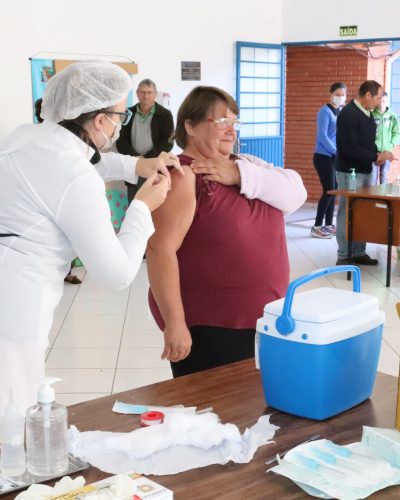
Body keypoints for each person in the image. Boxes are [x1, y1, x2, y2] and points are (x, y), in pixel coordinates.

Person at [0, 61, 183, 414]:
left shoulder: (27, 136)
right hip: (16, 306)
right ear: (101, 121)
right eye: (120, 116)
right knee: (12, 415)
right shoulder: (74, 176)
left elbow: (84, 162)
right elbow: (116, 274)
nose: (121, 123)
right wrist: (142, 207)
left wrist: (134, 166)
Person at [146, 86, 307, 377]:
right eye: (220, 121)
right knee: (212, 417)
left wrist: (238, 174)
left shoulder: (246, 165)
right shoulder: (183, 176)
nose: (230, 130)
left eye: (234, 122)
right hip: (211, 327)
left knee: (256, 413)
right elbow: (159, 250)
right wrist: (175, 322)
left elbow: (296, 192)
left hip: (265, 319)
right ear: (190, 126)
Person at [335, 80, 394, 266]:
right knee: (347, 211)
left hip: (366, 170)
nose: (378, 102)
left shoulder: (368, 112)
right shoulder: (349, 114)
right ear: (367, 95)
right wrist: (377, 154)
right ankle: (344, 255)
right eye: (377, 98)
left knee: (362, 212)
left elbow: (367, 143)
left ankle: (359, 251)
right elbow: (350, 148)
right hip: (349, 173)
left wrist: (379, 155)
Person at [35, 98, 82, 285]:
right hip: (43, 194)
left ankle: (66, 271)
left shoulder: (68, 135)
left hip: (65, 192)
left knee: (67, 232)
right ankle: (50, 270)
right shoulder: (36, 134)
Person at [116, 79, 174, 203]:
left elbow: (167, 142)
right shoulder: (127, 113)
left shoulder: (165, 115)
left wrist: (147, 158)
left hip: (155, 166)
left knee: (154, 205)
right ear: (137, 93)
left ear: (155, 94)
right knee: (133, 202)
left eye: (149, 92)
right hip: (133, 166)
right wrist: (136, 158)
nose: (146, 96)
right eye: (142, 92)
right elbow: (120, 140)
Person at [311, 82, 346, 239]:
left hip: (334, 156)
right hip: (323, 156)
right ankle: (317, 226)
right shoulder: (324, 112)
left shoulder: (340, 111)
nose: (340, 97)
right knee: (328, 190)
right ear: (331, 94)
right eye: (337, 94)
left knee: (334, 190)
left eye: (343, 94)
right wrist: (335, 151)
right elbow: (322, 136)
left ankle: (328, 224)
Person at [372, 91, 400, 185]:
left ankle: (383, 198)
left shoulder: (392, 116)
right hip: (374, 152)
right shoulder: (371, 115)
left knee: (384, 175)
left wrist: (391, 144)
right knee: (373, 176)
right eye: (379, 100)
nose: (381, 103)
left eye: (383, 101)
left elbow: (396, 132)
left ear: (387, 101)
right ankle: (372, 198)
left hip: (387, 152)